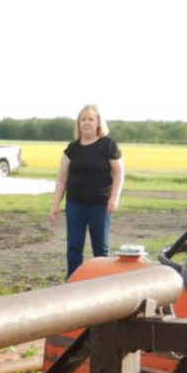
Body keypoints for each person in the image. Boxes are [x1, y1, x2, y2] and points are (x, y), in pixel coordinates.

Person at [47, 105, 124, 277]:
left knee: (101, 248)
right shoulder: (72, 149)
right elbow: (61, 180)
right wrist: (55, 205)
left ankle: (103, 284)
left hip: (100, 206)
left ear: (98, 122)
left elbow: (119, 173)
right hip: (75, 205)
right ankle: (73, 282)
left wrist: (115, 198)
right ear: (78, 123)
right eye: (83, 119)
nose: (86, 123)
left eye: (91, 119)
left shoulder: (108, 145)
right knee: (74, 248)